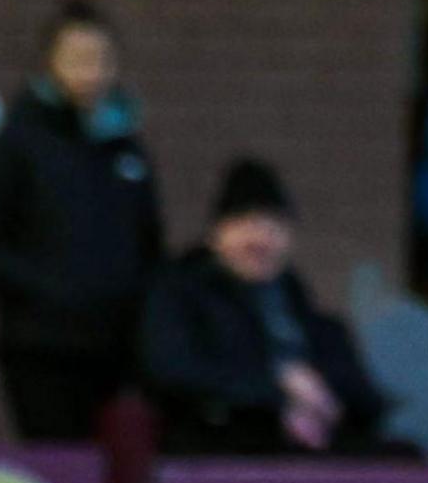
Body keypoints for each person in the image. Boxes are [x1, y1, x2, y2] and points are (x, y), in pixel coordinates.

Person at [0, 0, 163, 441]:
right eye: (78, 59)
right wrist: (44, 293)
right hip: (42, 349)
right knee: (62, 467)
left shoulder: (127, 151)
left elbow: (150, 244)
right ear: (51, 63)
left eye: (102, 59)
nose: (92, 72)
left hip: (115, 350)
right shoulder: (16, 144)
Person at [139, 158, 383, 455]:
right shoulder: (182, 294)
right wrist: (278, 392)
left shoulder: (297, 304)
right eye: (247, 223)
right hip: (221, 445)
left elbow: (363, 392)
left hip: (308, 446)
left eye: (274, 226)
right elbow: (174, 372)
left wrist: (319, 398)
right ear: (217, 234)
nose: (261, 238)